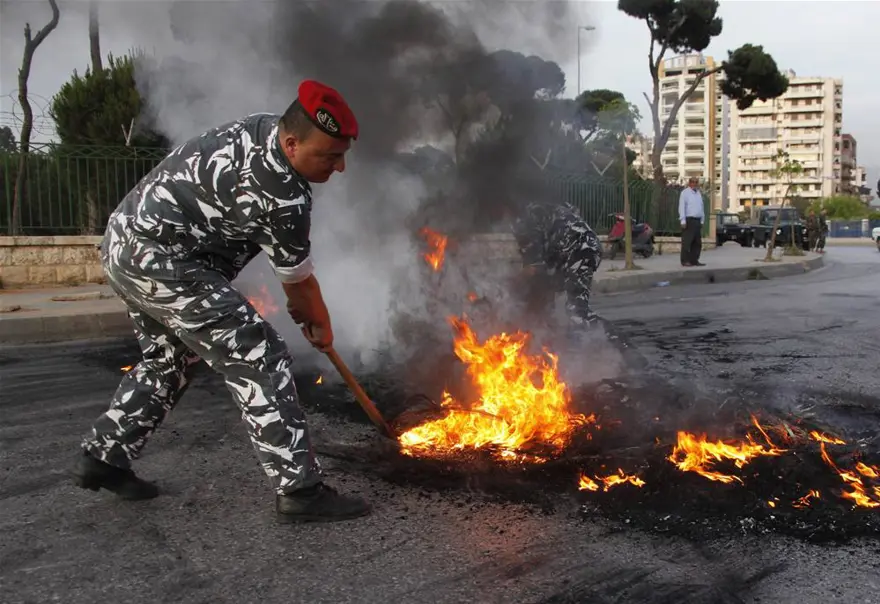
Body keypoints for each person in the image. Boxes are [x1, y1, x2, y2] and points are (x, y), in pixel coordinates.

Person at [71, 80, 372, 524]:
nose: (340, 166)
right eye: (329, 156)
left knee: (169, 361)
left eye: (342, 155)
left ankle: (105, 457)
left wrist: (308, 313)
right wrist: (319, 323)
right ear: (292, 143)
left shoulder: (261, 128)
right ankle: (300, 491)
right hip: (166, 263)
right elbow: (298, 284)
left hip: (124, 245)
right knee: (259, 355)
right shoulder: (282, 194)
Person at [509, 198, 602, 330]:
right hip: (584, 247)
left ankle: (610, 337)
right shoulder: (544, 206)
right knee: (548, 293)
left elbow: (533, 268)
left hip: (578, 251)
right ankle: (550, 331)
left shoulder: (523, 221)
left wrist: (512, 283)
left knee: (576, 312)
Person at [678, 177, 705, 267]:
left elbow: (701, 207)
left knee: (697, 243)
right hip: (689, 220)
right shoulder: (685, 193)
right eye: (693, 182)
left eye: (696, 182)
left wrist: (702, 220)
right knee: (687, 241)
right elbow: (682, 207)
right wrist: (683, 220)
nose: (695, 184)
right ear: (689, 183)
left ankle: (694, 260)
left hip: (697, 220)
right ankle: (685, 260)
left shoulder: (698, 193)